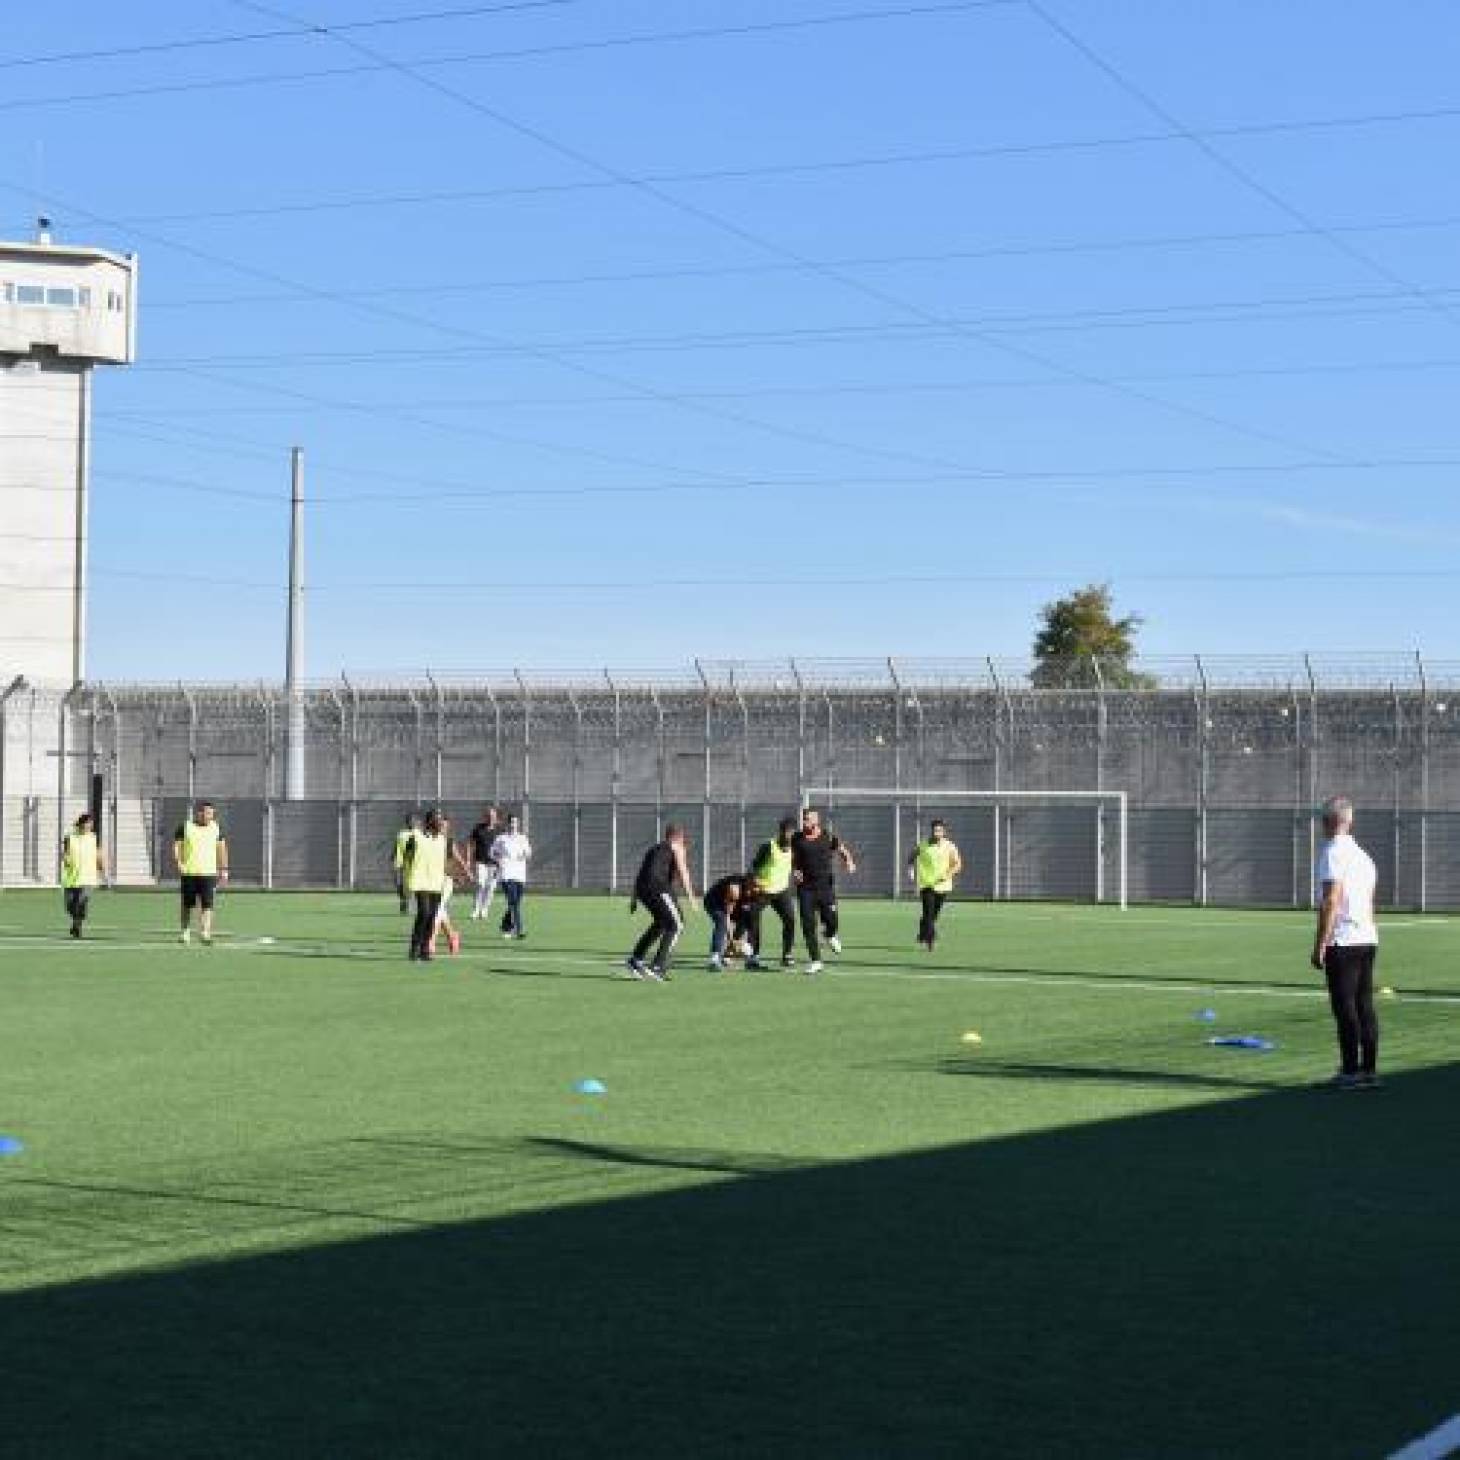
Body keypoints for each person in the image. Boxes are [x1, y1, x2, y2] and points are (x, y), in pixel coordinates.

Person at [1311, 795, 1381, 1090]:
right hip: (1367, 937)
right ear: (1349, 821)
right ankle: (1368, 1070)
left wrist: (1320, 944)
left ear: (1327, 822)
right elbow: (1369, 900)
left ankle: (1350, 1072)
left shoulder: (1332, 852)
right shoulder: (1363, 856)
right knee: (1364, 1004)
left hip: (1344, 940)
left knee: (1345, 1007)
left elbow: (1331, 899)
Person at [626, 824, 696, 981]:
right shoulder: (677, 846)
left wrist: (634, 898)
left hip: (644, 889)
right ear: (679, 837)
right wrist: (691, 896)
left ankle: (635, 960)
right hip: (658, 887)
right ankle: (658, 966)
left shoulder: (653, 849)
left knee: (661, 923)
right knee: (677, 925)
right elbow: (683, 870)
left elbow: (641, 873)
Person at [791, 806, 857, 974]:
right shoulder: (797, 838)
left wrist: (848, 862)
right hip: (805, 889)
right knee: (808, 925)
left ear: (816, 820)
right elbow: (791, 858)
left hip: (825, 887)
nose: (805, 821)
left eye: (808, 818)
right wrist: (794, 870)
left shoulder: (828, 836)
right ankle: (816, 960)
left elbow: (842, 850)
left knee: (832, 920)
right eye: (804, 818)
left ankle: (830, 934)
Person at [742, 818, 798, 971]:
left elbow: (794, 864)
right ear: (781, 831)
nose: (790, 835)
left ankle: (787, 955)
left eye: (793, 832)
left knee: (790, 920)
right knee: (753, 919)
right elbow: (752, 869)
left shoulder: (794, 847)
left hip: (781, 891)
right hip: (763, 891)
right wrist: (754, 883)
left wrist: (797, 872)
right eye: (788, 832)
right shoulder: (768, 847)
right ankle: (753, 958)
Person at [174, 800, 229, 946]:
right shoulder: (185, 826)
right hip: (189, 873)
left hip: (209, 873)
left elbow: (222, 849)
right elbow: (177, 846)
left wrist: (224, 870)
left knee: (207, 905)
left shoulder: (216, 828)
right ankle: (185, 932)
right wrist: (179, 862)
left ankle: (205, 933)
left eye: (212, 813)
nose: (210, 816)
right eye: (208, 813)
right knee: (187, 905)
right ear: (199, 813)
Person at [402, 808, 449, 963]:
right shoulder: (417, 837)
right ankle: (414, 948)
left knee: (432, 917)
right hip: (420, 881)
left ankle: (425, 950)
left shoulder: (442, 839)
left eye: (441, 819)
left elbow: (443, 861)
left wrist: (453, 875)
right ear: (429, 822)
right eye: (437, 818)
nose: (441, 822)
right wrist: (404, 880)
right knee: (424, 913)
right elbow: (406, 857)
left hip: (436, 883)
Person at [909, 818, 962, 950]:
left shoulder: (950, 846)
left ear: (943, 832)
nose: (936, 832)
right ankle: (930, 940)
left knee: (933, 915)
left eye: (939, 830)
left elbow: (958, 864)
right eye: (934, 830)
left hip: (943, 886)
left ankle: (923, 932)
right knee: (928, 913)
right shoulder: (923, 845)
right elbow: (912, 856)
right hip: (927, 884)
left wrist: (948, 875)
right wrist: (910, 869)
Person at [60, 811, 107, 938]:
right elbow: (64, 853)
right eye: (87, 824)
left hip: (88, 877)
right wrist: (66, 859)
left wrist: (101, 869)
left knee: (82, 902)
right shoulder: (70, 837)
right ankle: (75, 923)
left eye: (90, 824)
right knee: (70, 906)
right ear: (81, 824)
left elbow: (98, 854)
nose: (89, 827)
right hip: (71, 878)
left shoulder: (93, 838)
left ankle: (77, 926)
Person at [430, 813, 468, 957]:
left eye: (445, 826)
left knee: (437, 909)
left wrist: (463, 874)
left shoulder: (449, 842)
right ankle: (452, 935)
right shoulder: (432, 840)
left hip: (446, 880)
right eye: (440, 826)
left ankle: (431, 940)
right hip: (433, 880)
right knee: (440, 911)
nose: (442, 828)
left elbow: (459, 860)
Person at [490, 812, 532, 939]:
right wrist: (499, 860)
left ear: (518, 824)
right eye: (511, 822)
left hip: (519, 874)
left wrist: (524, 855)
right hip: (506, 874)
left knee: (515, 903)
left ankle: (505, 925)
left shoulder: (522, 838)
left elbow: (529, 853)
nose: (513, 825)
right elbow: (492, 852)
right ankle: (520, 929)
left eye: (515, 822)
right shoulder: (501, 838)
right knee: (513, 901)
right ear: (507, 824)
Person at [464, 806, 501, 922]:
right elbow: (470, 843)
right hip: (480, 861)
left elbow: (502, 847)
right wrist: (469, 859)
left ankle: (484, 910)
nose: (490, 818)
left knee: (491, 887)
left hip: (494, 864)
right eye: (488, 816)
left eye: (493, 816)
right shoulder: (478, 828)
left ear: (496, 817)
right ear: (485, 817)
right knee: (480, 884)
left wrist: (502, 862)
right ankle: (475, 910)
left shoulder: (499, 831)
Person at [702, 874, 744, 971]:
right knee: (721, 922)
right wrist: (731, 938)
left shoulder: (749, 889)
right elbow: (728, 914)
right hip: (712, 901)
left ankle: (727, 956)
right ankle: (714, 958)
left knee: (743, 919)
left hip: (727, 900)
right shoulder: (734, 889)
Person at [392, 812, 420, 914]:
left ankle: (412, 904)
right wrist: (395, 859)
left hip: (415, 863)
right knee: (401, 884)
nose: (411, 822)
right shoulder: (401, 834)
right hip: (402, 861)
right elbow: (397, 847)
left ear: (417, 822)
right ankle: (404, 899)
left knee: (414, 884)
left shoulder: (419, 834)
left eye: (413, 820)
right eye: (409, 821)